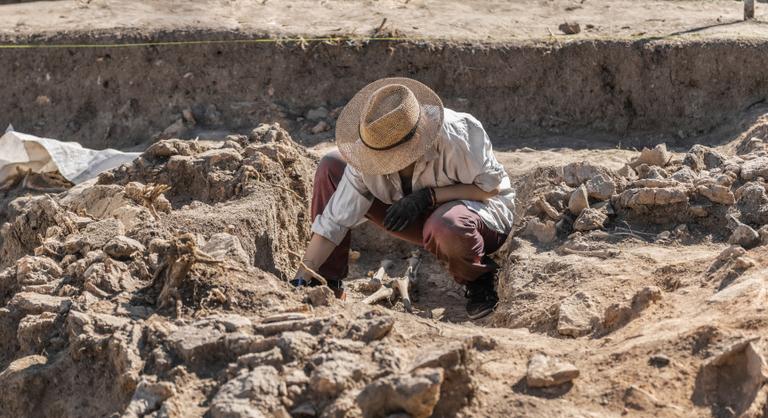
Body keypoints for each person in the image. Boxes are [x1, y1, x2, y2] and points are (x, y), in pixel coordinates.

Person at [291, 77, 515, 319]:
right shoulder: (371, 148)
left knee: (446, 225)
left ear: (417, 140)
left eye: (392, 156)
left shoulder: (458, 134)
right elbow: (334, 220)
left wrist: (429, 196)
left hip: (479, 215)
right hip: (418, 217)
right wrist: (303, 274)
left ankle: (478, 279)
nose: (382, 163)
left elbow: (490, 188)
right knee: (333, 165)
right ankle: (325, 283)